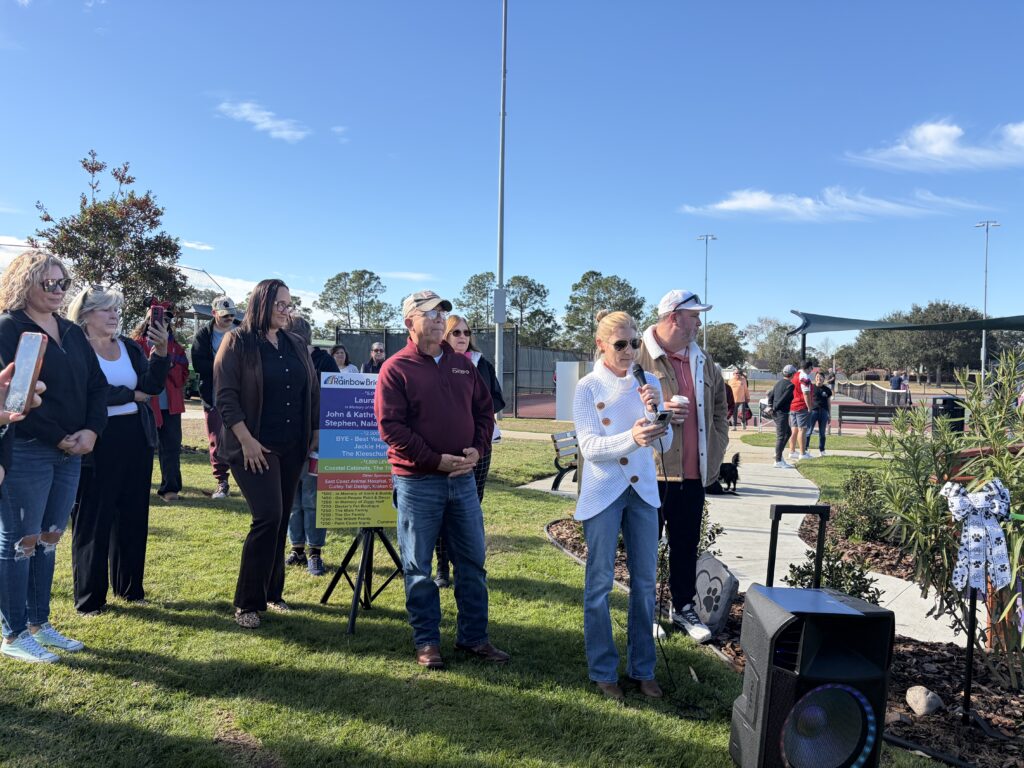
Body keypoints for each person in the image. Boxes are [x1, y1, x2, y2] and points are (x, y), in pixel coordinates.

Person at [375, 289, 507, 669]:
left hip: (463, 480)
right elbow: (391, 428)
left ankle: (474, 638)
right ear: (409, 322)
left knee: (472, 561)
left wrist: (477, 450)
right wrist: (434, 460)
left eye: (442, 312)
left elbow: (484, 412)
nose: (438, 318)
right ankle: (427, 641)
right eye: (429, 313)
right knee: (418, 566)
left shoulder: (463, 365)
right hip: (418, 483)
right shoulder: (396, 368)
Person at [0, 251, 108, 663]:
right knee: (21, 541)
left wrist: (92, 431)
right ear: (24, 283)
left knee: (49, 538)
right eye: (49, 283)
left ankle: (39, 624)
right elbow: (12, 399)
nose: (59, 290)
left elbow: (97, 386)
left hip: (72, 452)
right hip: (27, 449)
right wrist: (60, 436)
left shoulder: (72, 332)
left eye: (64, 283)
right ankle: (12, 634)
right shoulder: (8, 329)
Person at [573, 310, 671, 700]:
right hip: (603, 492)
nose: (630, 351)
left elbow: (664, 446)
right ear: (600, 344)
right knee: (599, 585)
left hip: (644, 493)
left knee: (645, 585)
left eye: (635, 343)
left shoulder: (649, 384)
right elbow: (591, 449)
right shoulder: (587, 387)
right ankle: (603, 670)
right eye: (620, 344)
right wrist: (633, 436)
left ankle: (643, 667)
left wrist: (655, 415)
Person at [214, 280, 320, 628]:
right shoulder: (238, 342)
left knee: (281, 518)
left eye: (290, 305)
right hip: (254, 447)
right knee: (268, 517)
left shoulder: (296, 343)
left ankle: (273, 594)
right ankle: (246, 603)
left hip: (293, 445)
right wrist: (246, 441)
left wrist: (315, 432)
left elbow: (313, 390)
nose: (286, 311)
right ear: (261, 303)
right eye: (280, 304)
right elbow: (226, 398)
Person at [67, 286, 170, 615]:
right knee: (94, 519)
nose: (114, 316)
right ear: (85, 314)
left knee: (133, 514)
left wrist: (162, 352)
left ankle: (130, 588)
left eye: (116, 310)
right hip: (96, 441)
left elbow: (152, 387)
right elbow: (86, 394)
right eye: (105, 310)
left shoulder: (127, 346)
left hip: (136, 439)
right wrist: (130, 394)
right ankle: (90, 598)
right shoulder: (74, 348)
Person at [634, 289, 728, 644]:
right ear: (674, 317)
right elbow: (619, 407)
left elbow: (720, 409)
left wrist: (717, 448)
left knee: (685, 544)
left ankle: (683, 606)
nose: (699, 323)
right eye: (694, 316)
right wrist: (660, 414)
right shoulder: (636, 354)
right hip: (650, 474)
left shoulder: (703, 361)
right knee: (646, 545)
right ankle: (644, 611)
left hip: (692, 475)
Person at [433, 314, 505, 589]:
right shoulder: (436, 363)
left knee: (471, 506)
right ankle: (441, 566)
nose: (462, 337)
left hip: (479, 445)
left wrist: (475, 408)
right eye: (456, 333)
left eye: (466, 332)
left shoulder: (481, 363)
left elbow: (496, 398)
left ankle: (465, 565)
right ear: (445, 336)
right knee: (442, 509)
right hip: (446, 447)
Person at [284, 316, 338, 576]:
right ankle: (296, 548)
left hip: (317, 441)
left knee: (313, 498)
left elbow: (334, 401)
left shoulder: (324, 362)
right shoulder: (280, 360)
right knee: (291, 499)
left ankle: (315, 552)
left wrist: (318, 435)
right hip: (287, 442)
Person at [135, 304, 188, 502]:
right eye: (157, 319)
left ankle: (170, 489)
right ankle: (139, 487)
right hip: (146, 406)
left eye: (166, 320)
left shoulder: (177, 348)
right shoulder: (137, 345)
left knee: (172, 448)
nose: (162, 323)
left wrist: (166, 364)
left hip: (171, 407)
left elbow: (182, 378)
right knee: (142, 448)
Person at [191, 295, 239, 499]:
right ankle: (222, 481)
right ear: (214, 313)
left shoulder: (242, 331)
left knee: (242, 436)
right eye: (224, 315)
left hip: (240, 391)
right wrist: (223, 368)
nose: (229, 318)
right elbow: (199, 363)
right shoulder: (204, 335)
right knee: (216, 438)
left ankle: (246, 480)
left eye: (232, 314)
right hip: (214, 393)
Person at [768, 365, 797, 469]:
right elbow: (784, 399)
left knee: (788, 433)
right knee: (781, 436)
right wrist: (775, 408)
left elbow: (770, 396)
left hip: (776, 412)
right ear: (792, 374)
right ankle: (778, 460)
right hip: (781, 413)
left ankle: (778, 454)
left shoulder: (778, 383)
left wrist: (770, 406)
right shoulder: (790, 385)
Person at [787, 360, 815, 462]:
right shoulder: (804, 377)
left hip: (793, 405)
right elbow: (806, 393)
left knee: (794, 429)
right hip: (801, 406)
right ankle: (802, 453)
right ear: (809, 368)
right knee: (802, 430)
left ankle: (792, 451)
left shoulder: (795, 375)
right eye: (811, 368)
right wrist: (809, 406)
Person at [804, 370, 832, 458]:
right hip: (813, 412)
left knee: (822, 433)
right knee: (808, 431)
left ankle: (822, 450)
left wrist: (829, 414)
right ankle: (805, 449)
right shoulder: (811, 387)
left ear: (823, 379)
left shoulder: (827, 390)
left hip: (823, 412)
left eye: (820, 377)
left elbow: (829, 403)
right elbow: (806, 398)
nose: (819, 379)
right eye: (817, 377)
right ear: (815, 378)